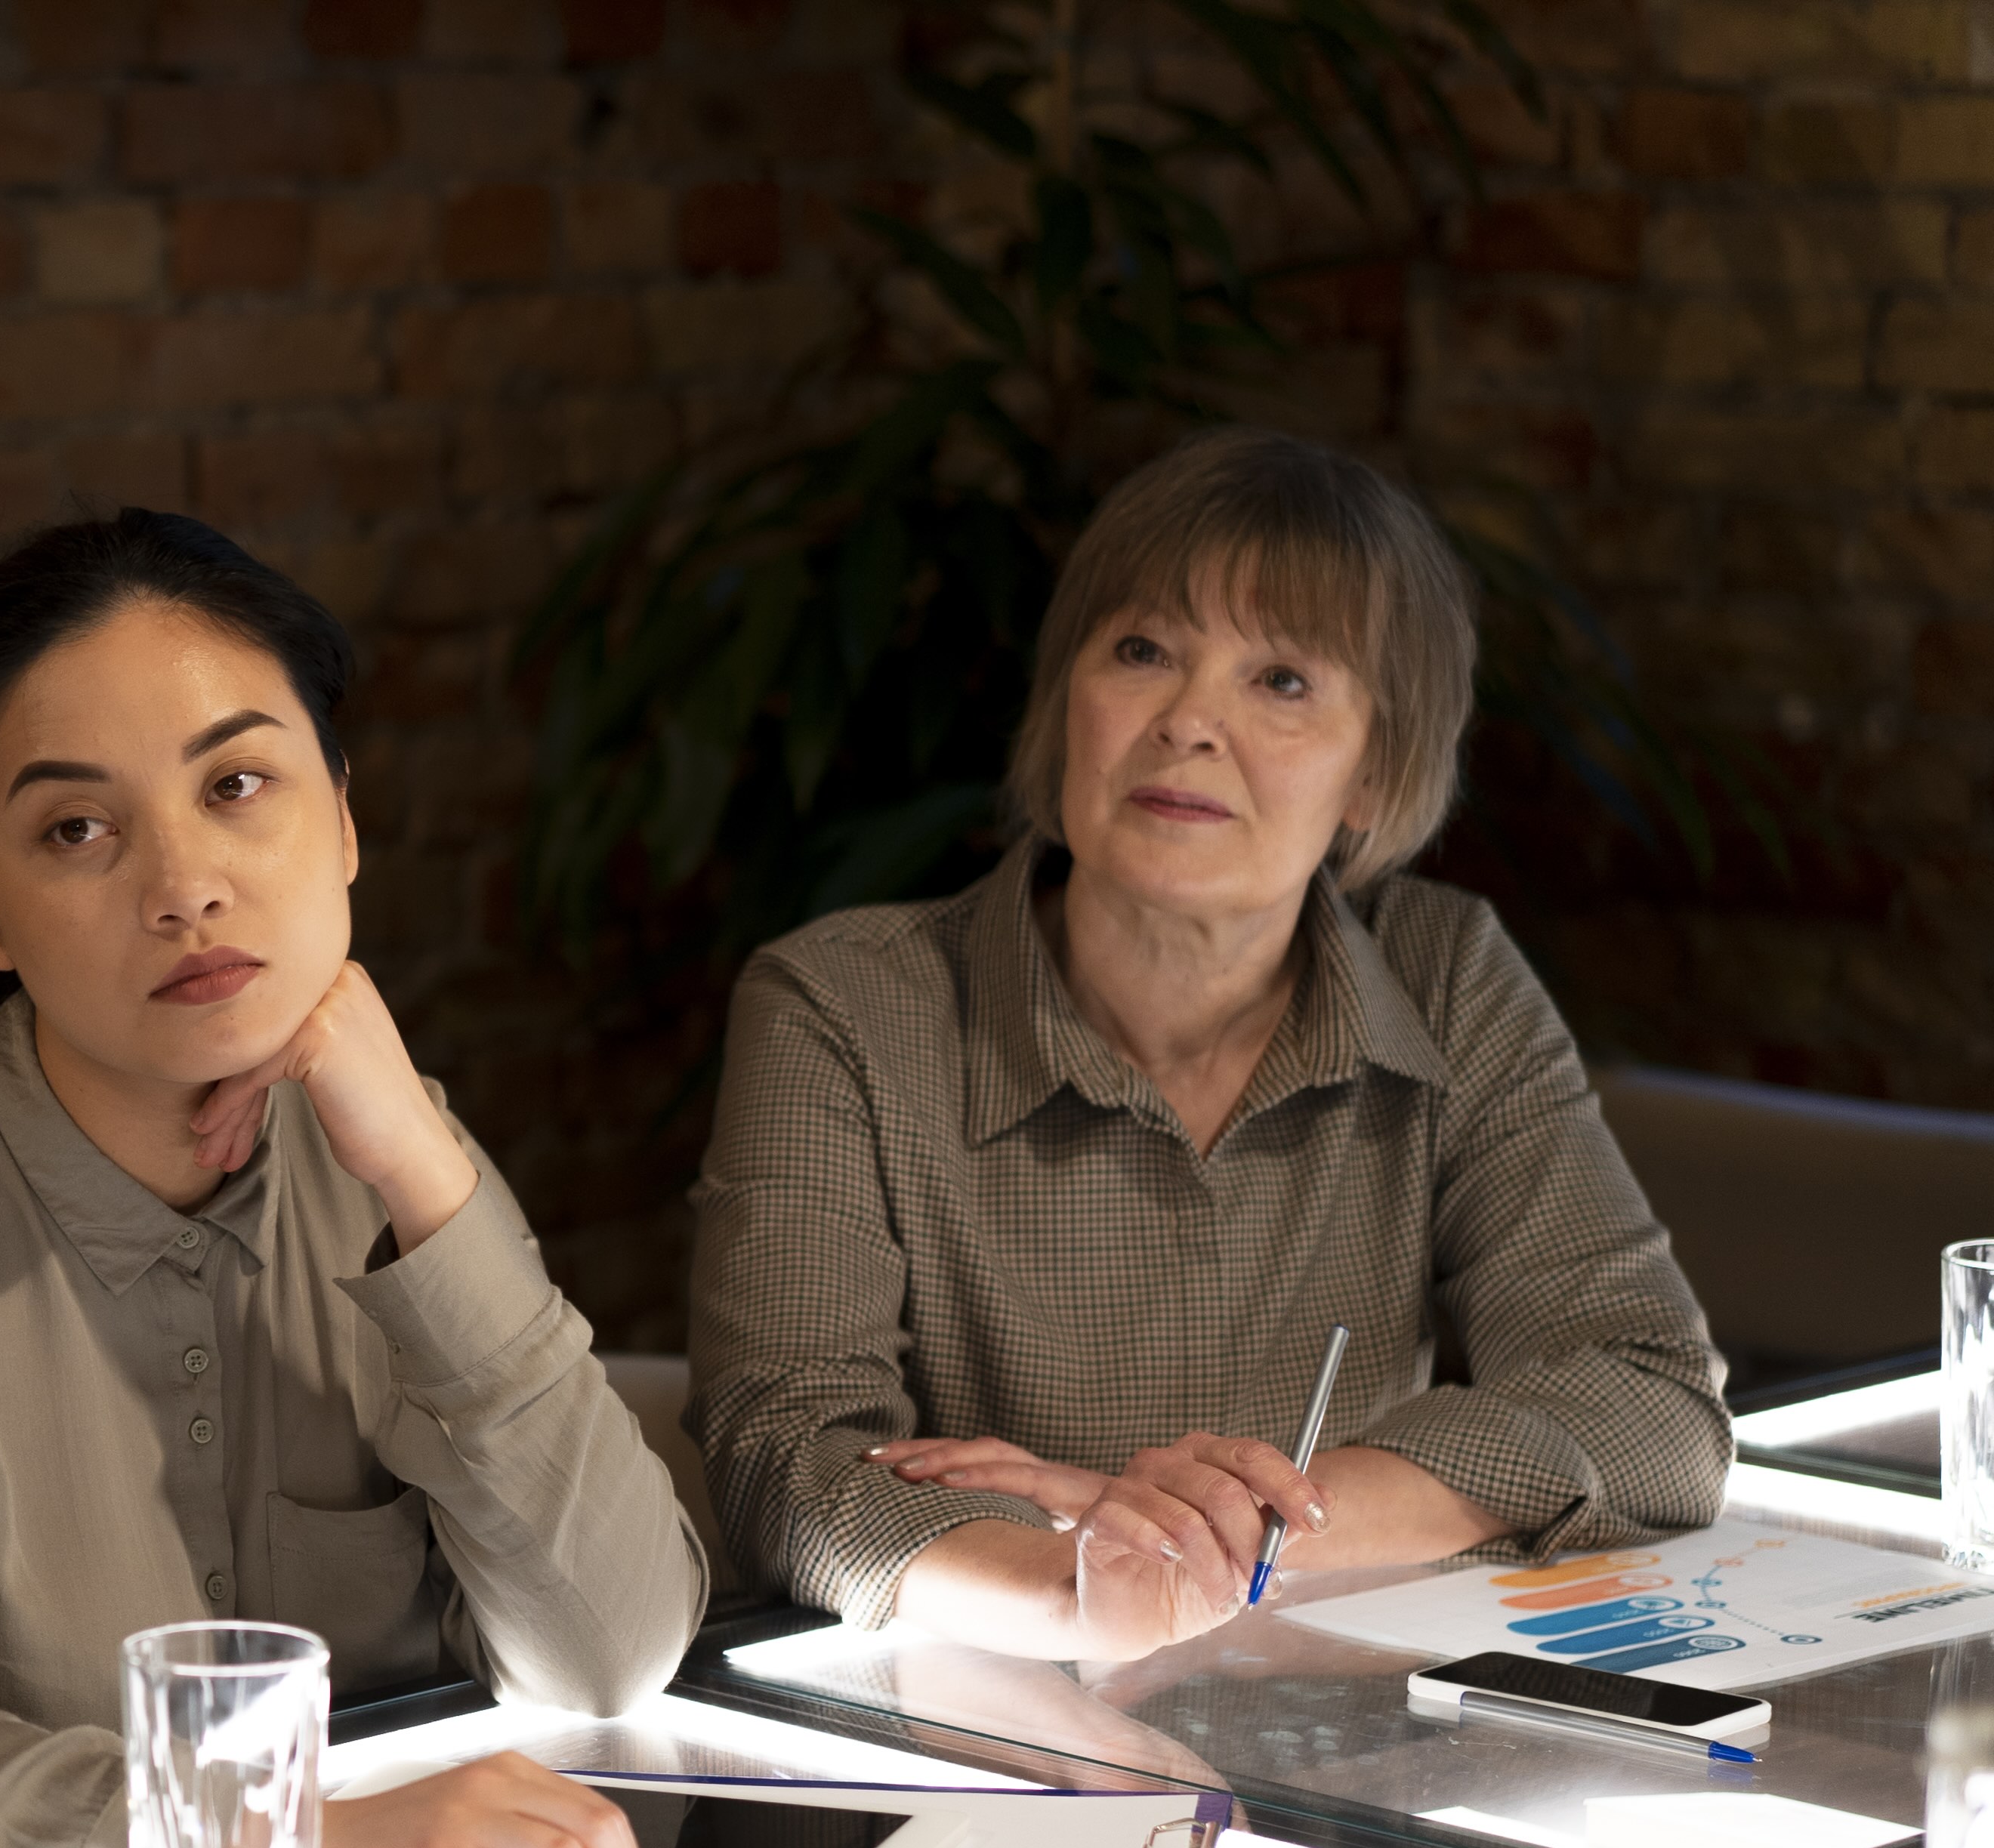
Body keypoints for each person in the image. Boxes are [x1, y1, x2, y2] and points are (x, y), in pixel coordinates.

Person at [0, 513, 704, 1848]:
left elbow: (612, 1653)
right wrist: (264, 1841)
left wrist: (419, 1167)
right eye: (77, 829)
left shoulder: (392, 1149)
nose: (184, 885)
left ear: (343, 819)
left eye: (236, 784)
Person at [688, 427, 1726, 1661]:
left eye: (1282, 680)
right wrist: (1081, 1580)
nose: (1189, 721)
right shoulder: (843, 1005)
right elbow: (786, 1459)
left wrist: (1218, 1535)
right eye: (1143, 650)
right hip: (982, 1732)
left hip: (1348, 1734)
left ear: (1372, 773)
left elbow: (1655, 1399)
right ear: (1064, 700)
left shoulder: (1443, 974)